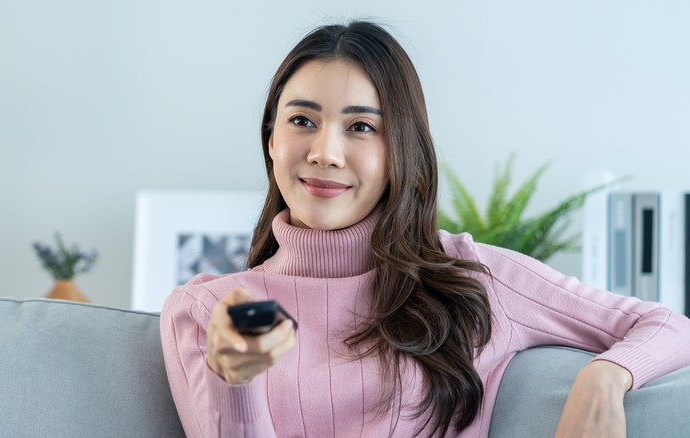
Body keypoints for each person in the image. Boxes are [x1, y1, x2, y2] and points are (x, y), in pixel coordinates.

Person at [160, 21, 690, 437]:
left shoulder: (472, 279)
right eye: (302, 121)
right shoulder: (205, 310)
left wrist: (604, 378)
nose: (324, 153)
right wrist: (236, 381)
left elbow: (668, 326)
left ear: (401, 152)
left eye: (361, 127)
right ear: (271, 139)